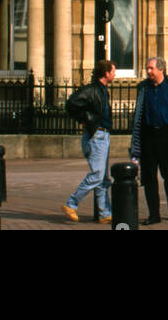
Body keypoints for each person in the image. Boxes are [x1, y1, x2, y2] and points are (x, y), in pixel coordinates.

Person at [130, 56, 168, 224]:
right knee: (149, 177)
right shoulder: (143, 88)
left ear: (161, 69)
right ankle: (154, 214)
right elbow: (138, 113)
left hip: (166, 136)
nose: (148, 71)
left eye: (151, 68)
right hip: (148, 136)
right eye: (147, 68)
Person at [63, 59, 116, 223]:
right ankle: (71, 203)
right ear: (106, 73)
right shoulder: (92, 89)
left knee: (102, 178)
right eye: (113, 71)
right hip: (96, 136)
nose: (115, 74)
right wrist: (84, 118)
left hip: (103, 135)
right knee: (97, 175)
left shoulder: (102, 90)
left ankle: (104, 213)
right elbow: (71, 103)